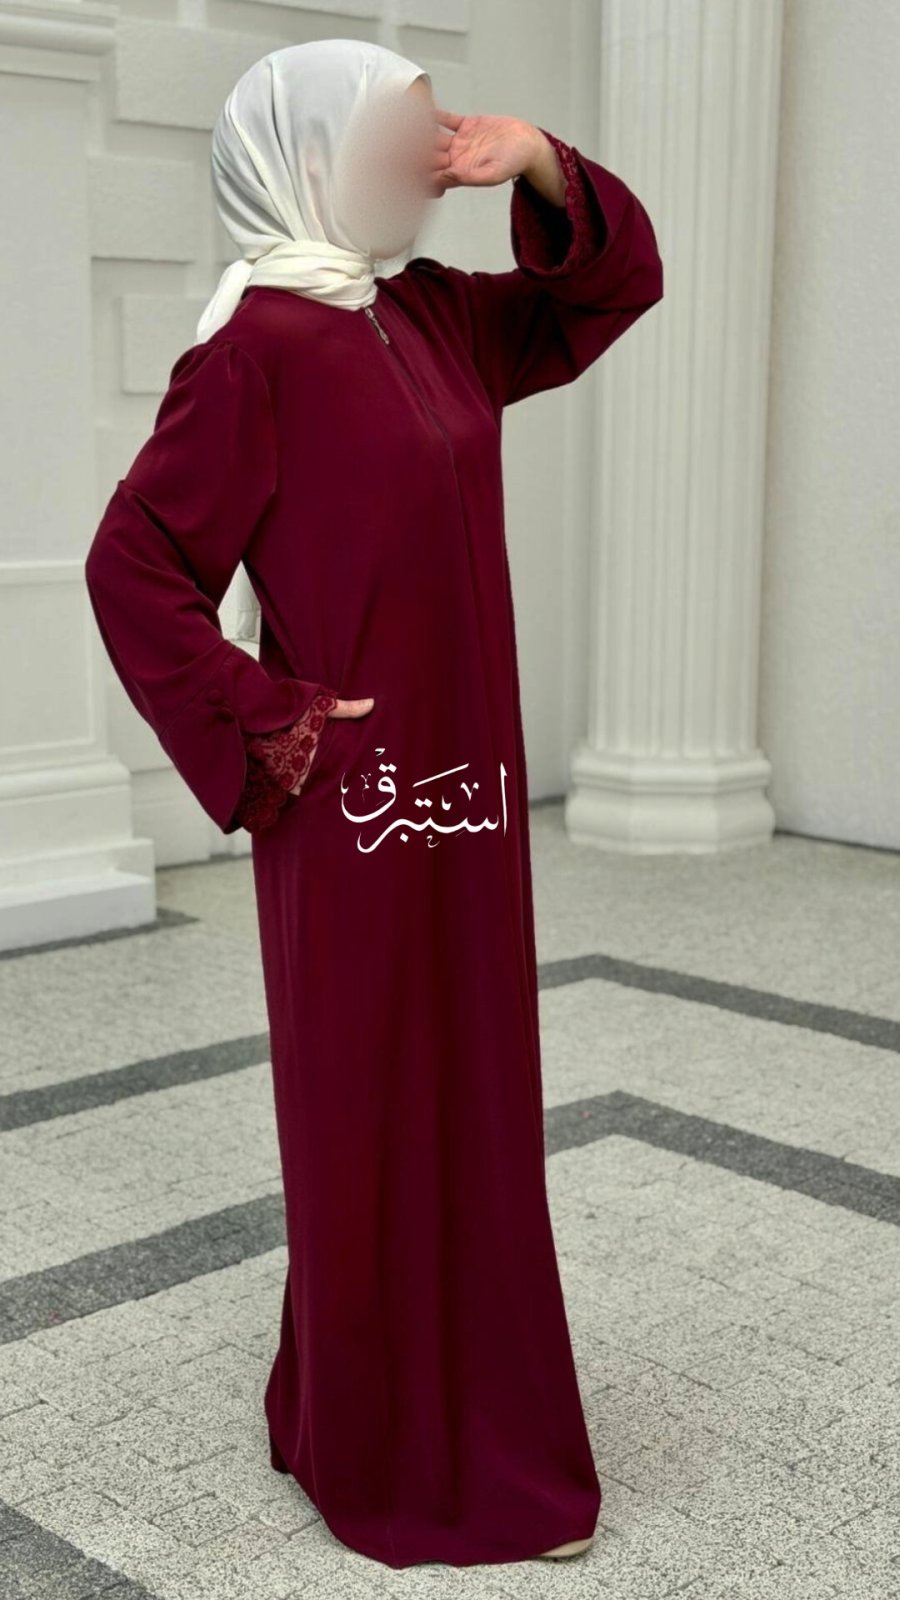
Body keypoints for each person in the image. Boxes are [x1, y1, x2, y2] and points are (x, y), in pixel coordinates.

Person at [84, 37, 664, 1570]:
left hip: (464, 799)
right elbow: (134, 564)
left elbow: (609, 290)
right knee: (371, 1114)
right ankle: (386, 1450)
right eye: (399, 134)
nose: (427, 158)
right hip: (351, 811)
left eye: (435, 131)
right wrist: (268, 715)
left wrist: (537, 161)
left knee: (472, 1104)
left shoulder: (438, 315)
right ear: (307, 157)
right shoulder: (255, 352)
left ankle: (421, 1416)